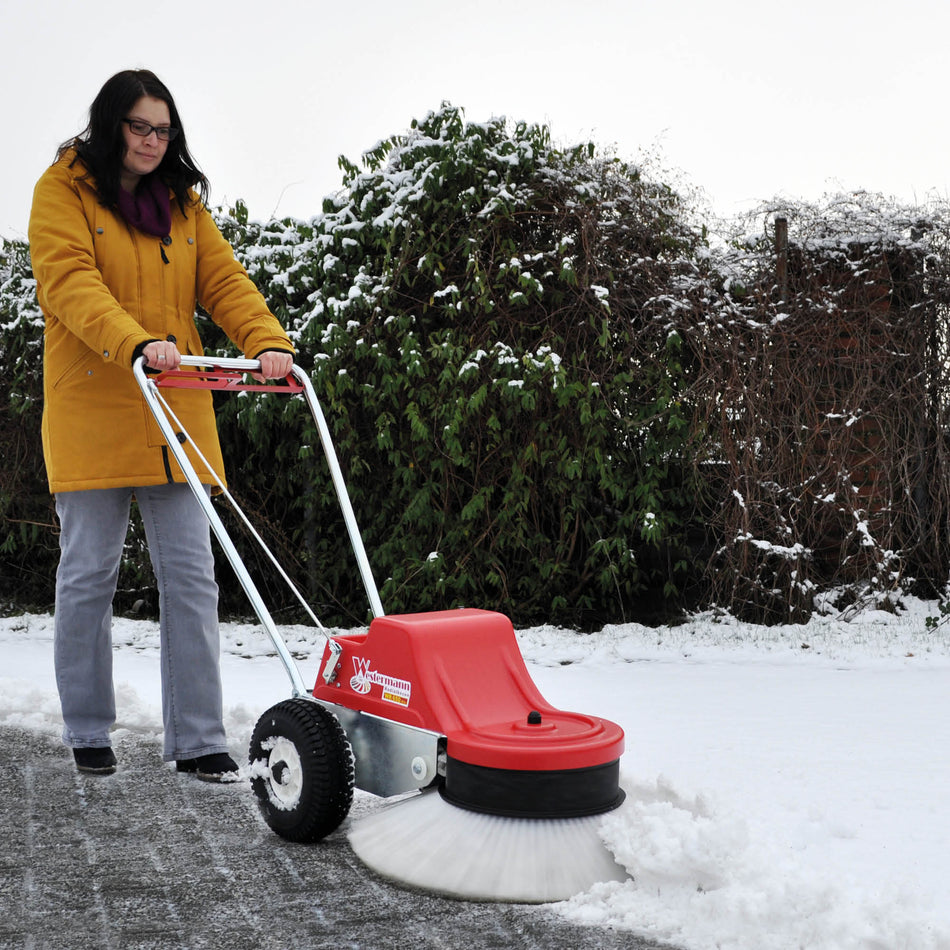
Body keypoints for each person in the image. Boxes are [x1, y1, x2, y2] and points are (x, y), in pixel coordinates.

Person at [28, 69, 295, 781]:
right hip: (95, 404)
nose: (152, 141)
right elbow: (70, 283)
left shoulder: (182, 205)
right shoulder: (63, 193)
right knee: (88, 574)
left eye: (164, 130)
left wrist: (267, 342)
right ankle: (87, 727)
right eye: (140, 127)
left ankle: (200, 738)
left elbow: (225, 282)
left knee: (193, 576)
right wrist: (136, 341)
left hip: (175, 412)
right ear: (111, 124)